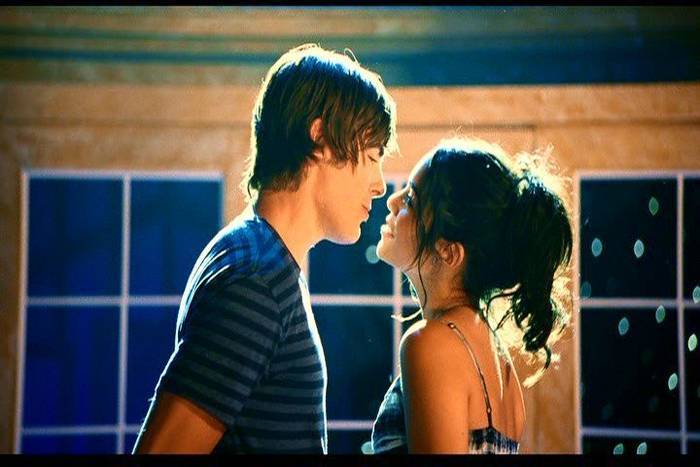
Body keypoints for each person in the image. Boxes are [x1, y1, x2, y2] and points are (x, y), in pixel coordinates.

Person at [133, 43, 397, 454]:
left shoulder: (264, 262)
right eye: (371, 155)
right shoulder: (256, 280)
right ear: (321, 139)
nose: (380, 184)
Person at [370, 137, 573, 454]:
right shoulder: (502, 365)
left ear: (449, 252)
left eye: (411, 200)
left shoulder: (429, 344)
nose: (392, 201)